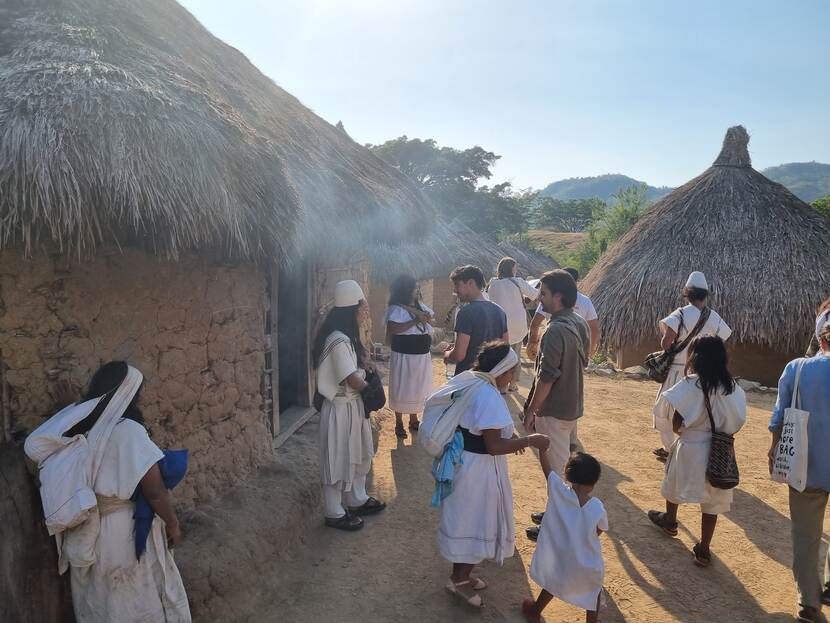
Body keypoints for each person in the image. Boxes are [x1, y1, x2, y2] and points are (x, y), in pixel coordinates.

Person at [26, 362, 191, 622]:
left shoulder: (79, 429)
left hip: (86, 530)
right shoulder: (129, 431)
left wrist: (69, 406)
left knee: (101, 599)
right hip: (121, 531)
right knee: (133, 597)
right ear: (129, 396)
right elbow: (155, 491)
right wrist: (173, 523)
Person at [437, 341, 550, 608]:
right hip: (477, 469)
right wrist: (529, 440)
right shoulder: (487, 396)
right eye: (510, 371)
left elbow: (485, 430)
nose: (512, 377)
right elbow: (494, 446)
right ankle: (459, 579)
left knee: (469, 520)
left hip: (469, 464)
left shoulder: (473, 383)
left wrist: (509, 435)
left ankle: (462, 574)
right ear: (499, 370)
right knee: (473, 521)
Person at [648, 336, 746, 568]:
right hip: (720, 450)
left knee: (673, 482)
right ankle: (703, 548)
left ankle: (670, 520)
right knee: (713, 500)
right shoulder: (734, 388)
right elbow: (738, 421)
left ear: (695, 358)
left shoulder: (690, 384)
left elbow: (675, 421)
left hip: (690, 446)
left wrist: (685, 430)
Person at [768, 322, 830, 623]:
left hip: (805, 464)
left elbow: (779, 414)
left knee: (805, 535)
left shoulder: (798, 369)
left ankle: (808, 603)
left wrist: (774, 447)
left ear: (819, 337)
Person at [313, 280, 386, 531]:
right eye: (362, 307)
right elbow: (350, 378)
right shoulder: (337, 340)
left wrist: (366, 369)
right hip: (340, 408)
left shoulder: (346, 338)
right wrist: (370, 388)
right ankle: (334, 511)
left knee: (359, 452)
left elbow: (357, 369)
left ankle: (356, 498)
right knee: (337, 457)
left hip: (353, 407)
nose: (366, 311)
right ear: (350, 310)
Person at [523, 269, 590, 541]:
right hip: (571, 406)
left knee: (557, 472)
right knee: (561, 466)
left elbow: (547, 377)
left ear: (558, 297)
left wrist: (531, 410)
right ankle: (555, 513)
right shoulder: (578, 322)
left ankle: (557, 524)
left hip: (554, 409)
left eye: (544, 294)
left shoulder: (554, 331)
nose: (540, 300)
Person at [651, 271, 732, 463]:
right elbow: (723, 339)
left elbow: (666, 343)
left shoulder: (679, 314)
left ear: (687, 293)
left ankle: (671, 450)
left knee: (665, 412)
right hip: (701, 373)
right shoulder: (713, 317)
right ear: (705, 295)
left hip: (677, 371)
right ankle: (685, 452)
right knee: (695, 413)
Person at [523, 452, 607, 623]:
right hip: (587, 562)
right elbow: (599, 530)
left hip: (560, 556)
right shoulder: (597, 507)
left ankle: (535, 610)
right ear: (593, 483)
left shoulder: (558, 491)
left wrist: (542, 450)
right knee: (594, 593)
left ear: (568, 475)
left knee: (554, 581)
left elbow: (548, 470)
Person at [384, 274, 435, 438]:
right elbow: (393, 329)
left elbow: (430, 324)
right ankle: (399, 422)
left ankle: (413, 419)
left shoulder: (420, 306)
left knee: (417, 388)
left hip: (421, 357)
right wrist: (416, 321)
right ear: (406, 290)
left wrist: (425, 319)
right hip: (403, 357)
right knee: (402, 387)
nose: (417, 290)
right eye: (414, 287)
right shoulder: (396, 309)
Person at [486, 257, 540, 392]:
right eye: (515, 268)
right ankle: (513, 383)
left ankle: (500, 384)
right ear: (511, 269)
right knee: (515, 354)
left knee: (500, 354)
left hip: (498, 323)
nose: (516, 270)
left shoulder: (492, 283)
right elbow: (535, 295)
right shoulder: (518, 282)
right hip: (516, 325)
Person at [443, 265, 508, 376]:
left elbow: (459, 355)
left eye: (457, 285)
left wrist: (447, 354)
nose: (455, 290)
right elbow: (505, 347)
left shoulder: (466, 312)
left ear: (471, 283)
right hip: (491, 378)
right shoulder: (500, 311)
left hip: (468, 379)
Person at [527, 267, 599, 359]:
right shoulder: (586, 301)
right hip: (577, 350)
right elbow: (594, 329)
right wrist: (590, 351)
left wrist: (532, 342)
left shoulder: (551, 298)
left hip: (553, 345)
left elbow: (535, 323)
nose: (540, 297)